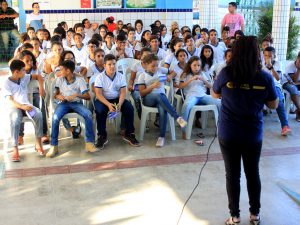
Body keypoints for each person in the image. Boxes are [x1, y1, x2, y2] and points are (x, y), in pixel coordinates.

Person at [212, 36, 278, 225]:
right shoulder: (264, 76)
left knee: (232, 175)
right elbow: (273, 105)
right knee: (252, 173)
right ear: (257, 53)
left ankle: (235, 216)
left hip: (228, 133)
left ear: (236, 52)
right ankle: (255, 215)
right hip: (252, 134)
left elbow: (215, 93)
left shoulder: (226, 73)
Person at [47, 60, 98, 157]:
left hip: (76, 103)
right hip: (64, 104)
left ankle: (89, 143)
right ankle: (54, 146)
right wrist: (59, 96)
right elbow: (55, 94)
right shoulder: (59, 79)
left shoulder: (80, 80)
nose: (59, 72)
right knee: (55, 117)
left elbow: (87, 96)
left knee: (88, 114)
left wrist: (76, 95)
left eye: (61, 70)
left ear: (68, 71)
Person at [137, 53, 187, 147]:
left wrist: (169, 76)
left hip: (161, 99)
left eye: (156, 65)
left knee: (162, 108)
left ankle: (161, 137)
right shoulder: (142, 76)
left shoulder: (160, 70)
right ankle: (177, 117)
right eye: (152, 66)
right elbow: (142, 93)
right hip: (148, 99)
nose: (155, 68)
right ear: (146, 65)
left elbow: (174, 71)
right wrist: (152, 86)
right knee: (158, 95)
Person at [2, 60, 46, 162]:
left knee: (38, 114)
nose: (25, 71)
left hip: (27, 106)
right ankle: (15, 148)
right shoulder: (6, 83)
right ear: (16, 72)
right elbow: (10, 100)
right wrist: (22, 106)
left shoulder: (25, 77)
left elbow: (38, 76)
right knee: (15, 119)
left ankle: (38, 143)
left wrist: (41, 88)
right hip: (15, 107)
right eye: (23, 70)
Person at [94, 54, 140, 149]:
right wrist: (108, 105)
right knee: (100, 111)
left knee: (129, 108)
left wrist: (119, 104)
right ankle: (102, 135)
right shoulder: (99, 77)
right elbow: (98, 94)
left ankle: (129, 133)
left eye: (114, 64)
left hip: (116, 99)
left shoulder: (120, 76)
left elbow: (123, 92)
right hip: (103, 99)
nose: (112, 66)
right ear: (104, 66)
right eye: (109, 64)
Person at [179, 56, 220, 140]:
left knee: (220, 102)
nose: (197, 67)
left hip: (202, 96)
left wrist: (203, 80)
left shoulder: (202, 73)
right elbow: (180, 86)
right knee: (185, 106)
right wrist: (191, 79)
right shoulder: (185, 74)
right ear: (190, 65)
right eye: (194, 65)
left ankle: (221, 128)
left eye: (198, 65)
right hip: (191, 96)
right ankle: (183, 129)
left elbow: (211, 86)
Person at [262, 46, 291, 135]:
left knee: (279, 102)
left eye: (270, 56)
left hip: (275, 86)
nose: (268, 58)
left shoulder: (278, 64)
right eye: (266, 56)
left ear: (274, 56)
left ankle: (285, 126)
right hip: (262, 87)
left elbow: (278, 78)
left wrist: (271, 68)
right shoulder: (260, 64)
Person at [282, 51, 300, 121]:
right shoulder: (290, 66)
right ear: (297, 58)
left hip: (296, 84)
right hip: (287, 83)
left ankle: (298, 112)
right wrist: (298, 69)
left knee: (294, 88)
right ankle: (299, 111)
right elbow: (293, 81)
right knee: (293, 89)